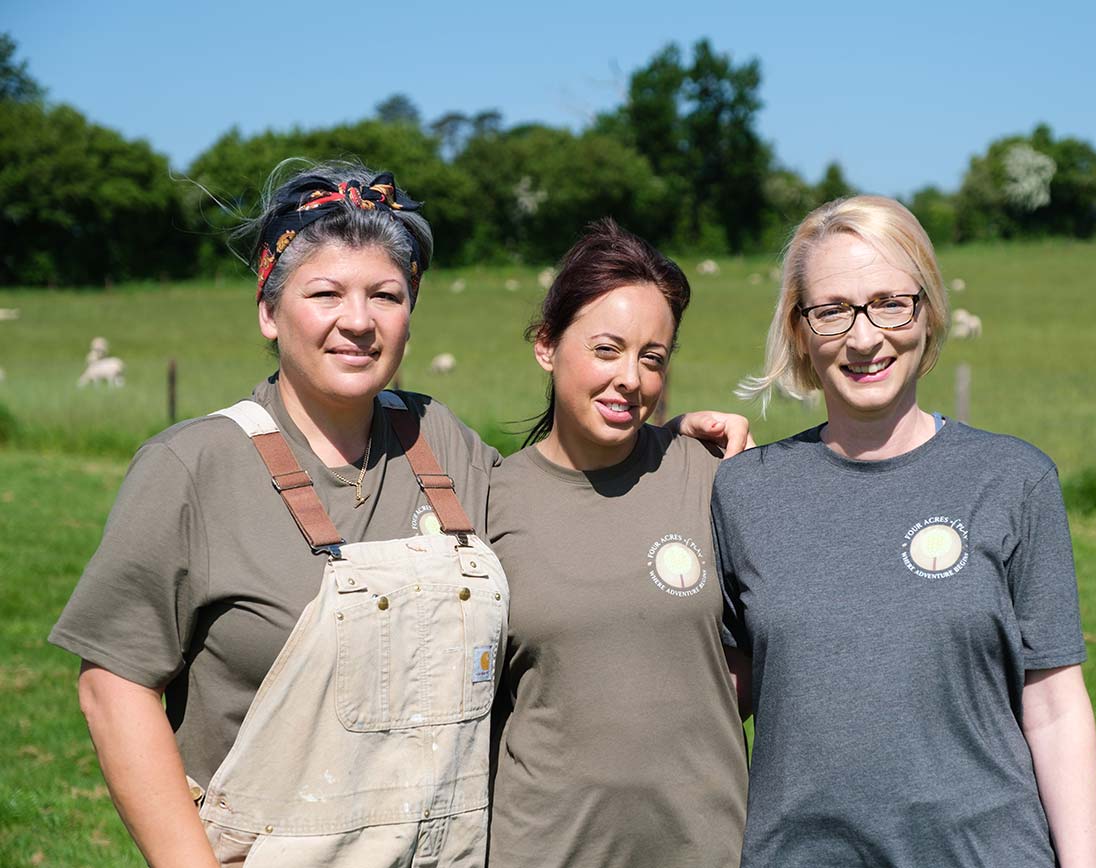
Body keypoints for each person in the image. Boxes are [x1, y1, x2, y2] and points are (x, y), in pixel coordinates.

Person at [49, 161, 747, 867]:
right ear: (268, 308)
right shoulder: (194, 467)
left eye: (386, 294)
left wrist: (664, 445)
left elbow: (567, 515)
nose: (358, 321)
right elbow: (113, 687)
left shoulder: (442, 444)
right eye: (325, 293)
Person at [711, 196, 1096, 867]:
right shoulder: (743, 491)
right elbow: (714, 697)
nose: (865, 338)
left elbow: (1055, 707)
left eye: (891, 302)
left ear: (927, 311)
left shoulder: (1014, 479)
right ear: (800, 329)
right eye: (833, 310)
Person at [487, 219, 749, 868]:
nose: (630, 378)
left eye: (652, 357)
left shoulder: (713, 477)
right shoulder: (490, 498)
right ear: (547, 345)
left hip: (708, 852)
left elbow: (767, 655)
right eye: (607, 349)